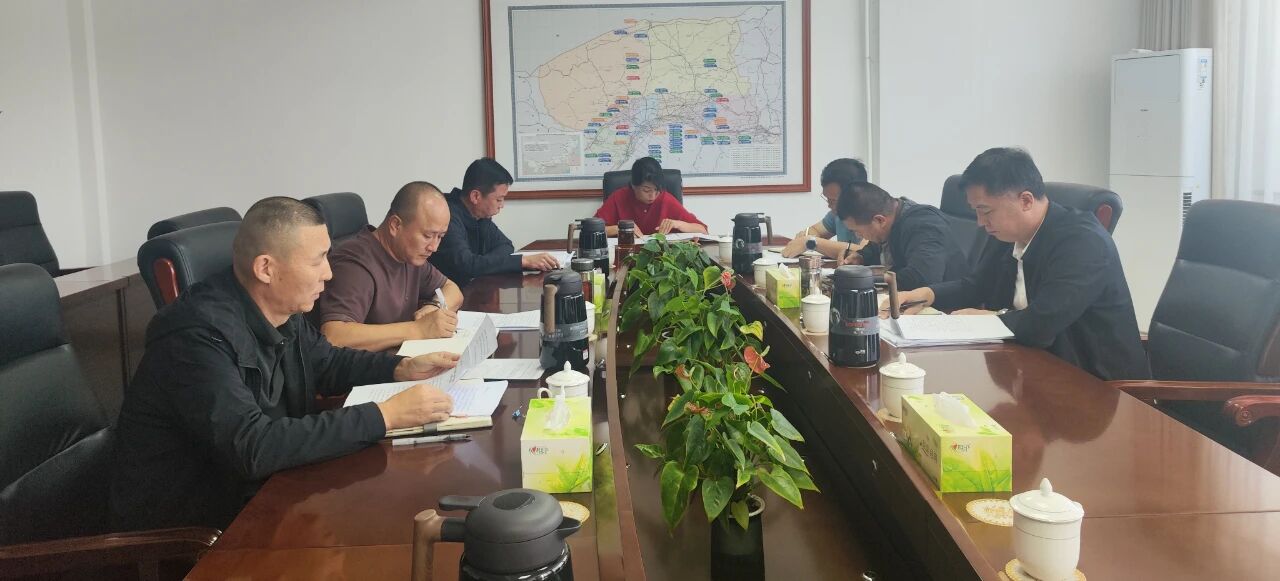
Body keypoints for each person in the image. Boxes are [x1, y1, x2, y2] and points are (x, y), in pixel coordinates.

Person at [112, 197, 460, 531]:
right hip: (201, 530)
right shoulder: (195, 337)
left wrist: (400, 367)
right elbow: (253, 446)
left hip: (267, 495)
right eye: (318, 260)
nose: (328, 273)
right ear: (266, 268)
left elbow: (328, 362)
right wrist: (386, 416)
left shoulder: (282, 311)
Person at [895, 148, 1149, 380]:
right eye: (976, 211)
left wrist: (991, 319)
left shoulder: (1083, 242)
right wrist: (926, 294)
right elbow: (977, 286)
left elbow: (1043, 322)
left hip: (1097, 384)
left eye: (986, 211)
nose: (980, 222)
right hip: (1032, 368)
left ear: (1026, 201)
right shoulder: (1008, 234)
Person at [314, 182, 464, 352]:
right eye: (428, 235)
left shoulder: (409, 256)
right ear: (395, 225)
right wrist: (418, 329)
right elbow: (335, 336)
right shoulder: (355, 265)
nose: (434, 247)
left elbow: (452, 290)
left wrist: (434, 307)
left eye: (440, 237)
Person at [431, 158, 559, 286]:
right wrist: (521, 261)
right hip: (444, 294)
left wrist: (483, 263)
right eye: (499, 199)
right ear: (475, 196)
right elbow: (467, 265)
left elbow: (506, 245)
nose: (502, 205)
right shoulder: (446, 216)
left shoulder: (480, 216)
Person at [835, 180, 969, 291]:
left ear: (879, 220)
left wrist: (862, 278)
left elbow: (921, 279)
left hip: (948, 309)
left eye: (857, 231)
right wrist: (861, 256)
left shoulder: (924, 226)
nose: (858, 236)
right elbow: (878, 247)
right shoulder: (893, 217)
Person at [595, 157, 707, 236]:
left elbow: (703, 230)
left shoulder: (665, 199)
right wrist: (620, 229)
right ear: (634, 185)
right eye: (646, 190)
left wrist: (678, 224)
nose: (652, 196)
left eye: (656, 190)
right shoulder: (619, 197)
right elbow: (591, 230)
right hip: (625, 256)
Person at [781, 158, 867, 260]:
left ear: (854, 195)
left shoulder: (873, 213)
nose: (829, 205)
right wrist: (805, 237)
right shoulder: (836, 215)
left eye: (833, 200)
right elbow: (816, 230)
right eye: (827, 199)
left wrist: (810, 242)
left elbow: (863, 252)